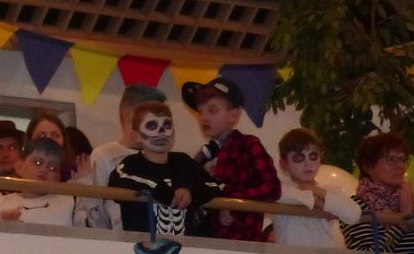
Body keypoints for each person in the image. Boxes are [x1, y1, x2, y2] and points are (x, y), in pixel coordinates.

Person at [182, 78, 281, 241]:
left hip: (237, 239)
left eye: (212, 110)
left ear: (234, 115)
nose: (204, 117)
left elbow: (272, 188)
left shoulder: (248, 145)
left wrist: (231, 202)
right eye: (200, 111)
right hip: (202, 237)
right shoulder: (203, 155)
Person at [106, 101, 221, 236]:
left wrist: (191, 192)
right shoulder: (131, 164)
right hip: (142, 245)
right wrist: (161, 191)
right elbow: (116, 180)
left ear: (173, 133)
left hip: (187, 246)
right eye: (152, 126)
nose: (161, 131)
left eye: (167, 125)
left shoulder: (183, 162)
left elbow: (215, 186)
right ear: (136, 136)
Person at [85, 83, 166, 230]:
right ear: (129, 115)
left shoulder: (165, 158)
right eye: (151, 118)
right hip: (120, 237)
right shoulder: (103, 155)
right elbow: (96, 216)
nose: (159, 127)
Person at [272, 127, 360, 248]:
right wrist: (320, 202)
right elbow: (283, 195)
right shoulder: (280, 189)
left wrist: (317, 191)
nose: (308, 164)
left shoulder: (330, 190)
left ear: (320, 157)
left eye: (313, 156)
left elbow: (354, 215)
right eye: (298, 158)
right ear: (284, 164)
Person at [0, 137, 87, 226]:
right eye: (37, 162)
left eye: (52, 168)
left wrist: (88, 194)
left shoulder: (71, 203)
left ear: (57, 178)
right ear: (19, 166)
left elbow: (93, 231)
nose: (44, 169)